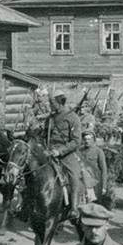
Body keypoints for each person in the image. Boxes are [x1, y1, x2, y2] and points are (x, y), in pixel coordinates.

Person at [45, 91, 85, 220]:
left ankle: (74, 208)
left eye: (52, 103)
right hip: (49, 151)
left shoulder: (73, 118)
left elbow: (76, 141)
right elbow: (44, 135)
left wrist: (60, 151)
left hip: (67, 154)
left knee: (74, 175)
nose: (50, 105)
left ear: (60, 102)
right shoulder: (50, 118)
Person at [80, 130, 108, 204]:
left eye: (89, 139)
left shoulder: (98, 152)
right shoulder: (79, 151)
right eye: (85, 139)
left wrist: (104, 186)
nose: (87, 141)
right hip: (81, 181)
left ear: (93, 140)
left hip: (95, 183)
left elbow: (104, 170)